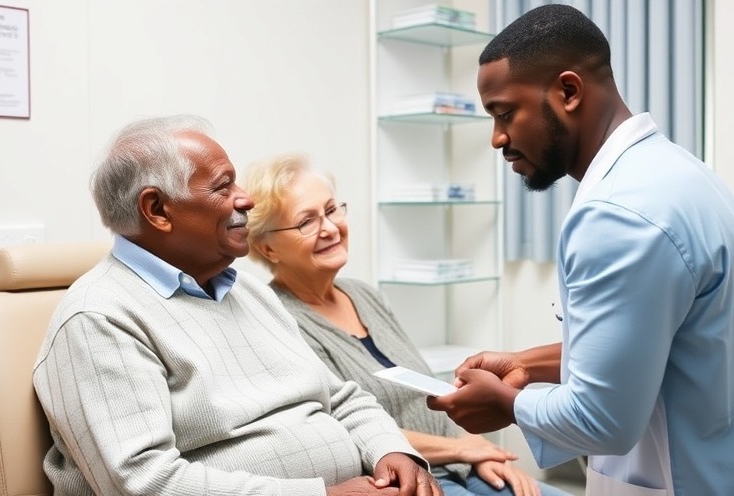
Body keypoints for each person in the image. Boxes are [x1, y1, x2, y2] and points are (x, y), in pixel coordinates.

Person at [426, 4, 734, 495]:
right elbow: (659, 345)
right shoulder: (680, 175)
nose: (498, 138)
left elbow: (601, 418)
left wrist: (505, 404)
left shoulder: (616, 214)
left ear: (567, 91)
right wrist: (527, 362)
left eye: (504, 113)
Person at [32, 114, 442, 496]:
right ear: (157, 209)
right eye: (223, 187)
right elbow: (143, 482)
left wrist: (394, 453)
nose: (245, 200)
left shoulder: (249, 291)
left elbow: (343, 399)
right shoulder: (99, 317)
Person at [237, 153, 571, 496]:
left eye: (332, 209)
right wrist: (463, 450)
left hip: (459, 461)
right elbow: (338, 429)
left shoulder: (363, 295)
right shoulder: (276, 317)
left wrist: (480, 451)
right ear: (267, 248)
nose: (330, 228)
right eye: (306, 221)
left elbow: (433, 389)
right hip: (403, 478)